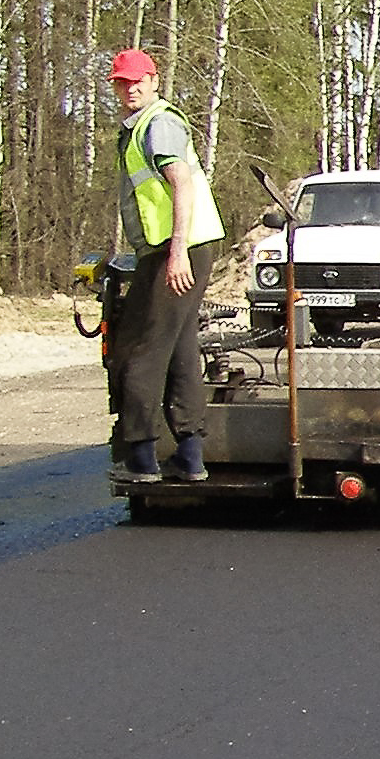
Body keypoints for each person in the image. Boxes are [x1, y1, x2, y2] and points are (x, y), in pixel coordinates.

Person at [107, 49, 225, 485]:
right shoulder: (139, 127)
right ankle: (190, 456)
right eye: (123, 82)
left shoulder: (159, 124)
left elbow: (182, 184)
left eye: (138, 81)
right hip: (180, 247)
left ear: (154, 81)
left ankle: (141, 457)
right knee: (179, 349)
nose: (130, 88)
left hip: (178, 249)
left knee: (141, 349)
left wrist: (176, 252)